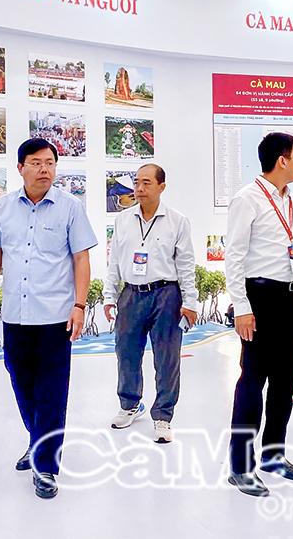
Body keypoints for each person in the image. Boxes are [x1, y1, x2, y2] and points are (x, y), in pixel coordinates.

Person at [0, 137, 97, 500]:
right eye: (36, 163)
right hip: (15, 314)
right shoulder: (2, 208)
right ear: (21, 168)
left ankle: (45, 465)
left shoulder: (70, 207)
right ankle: (37, 438)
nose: (44, 169)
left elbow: (81, 259)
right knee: (21, 382)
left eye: (50, 163)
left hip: (56, 316)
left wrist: (80, 305)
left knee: (52, 391)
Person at [224, 132, 293, 498]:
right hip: (260, 299)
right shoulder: (247, 199)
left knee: (284, 382)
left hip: (292, 298)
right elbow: (233, 257)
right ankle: (240, 466)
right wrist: (242, 308)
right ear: (282, 160)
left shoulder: (291, 202)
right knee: (252, 382)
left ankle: (273, 454)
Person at [102, 164, 198, 444]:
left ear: (161, 187)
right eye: (137, 183)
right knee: (126, 351)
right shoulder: (123, 220)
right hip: (131, 294)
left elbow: (186, 264)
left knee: (167, 358)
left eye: (146, 183)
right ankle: (129, 404)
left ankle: (163, 416)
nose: (140, 188)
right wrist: (109, 295)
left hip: (166, 294)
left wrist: (190, 302)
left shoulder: (177, 221)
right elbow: (114, 261)